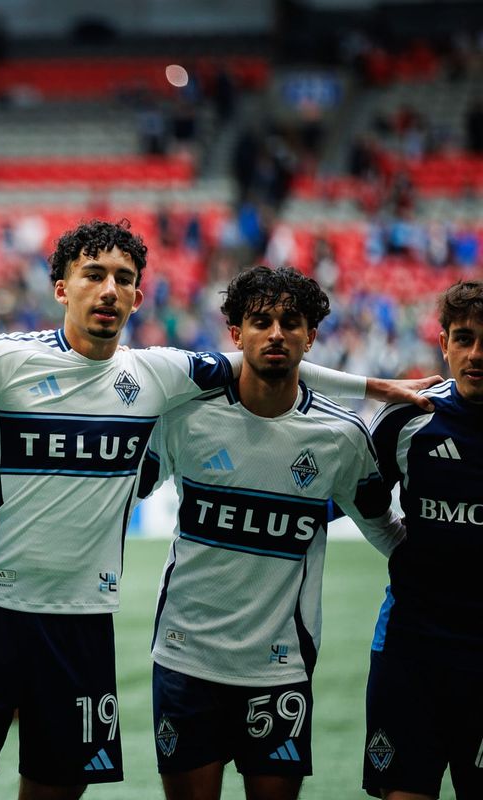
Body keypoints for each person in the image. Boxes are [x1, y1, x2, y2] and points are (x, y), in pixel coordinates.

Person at [0, 219, 431, 800]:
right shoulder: (3, 362)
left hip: (83, 623)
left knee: (62, 784)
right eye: (93, 275)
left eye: (124, 277)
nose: (109, 288)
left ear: (140, 296)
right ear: (62, 288)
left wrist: (370, 385)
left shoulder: (160, 375)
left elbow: (266, 356)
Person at [137, 266, 407, 800]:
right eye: (261, 321)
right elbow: (122, 490)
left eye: (291, 321)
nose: (276, 333)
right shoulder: (185, 417)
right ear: (236, 334)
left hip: (278, 668)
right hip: (185, 658)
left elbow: (386, 532)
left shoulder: (341, 436)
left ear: (312, 335)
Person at [362, 280, 483, 800]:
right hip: (412, 652)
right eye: (465, 338)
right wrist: (398, 546)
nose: (477, 354)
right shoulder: (412, 418)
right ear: (444, 344)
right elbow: (359, 497)